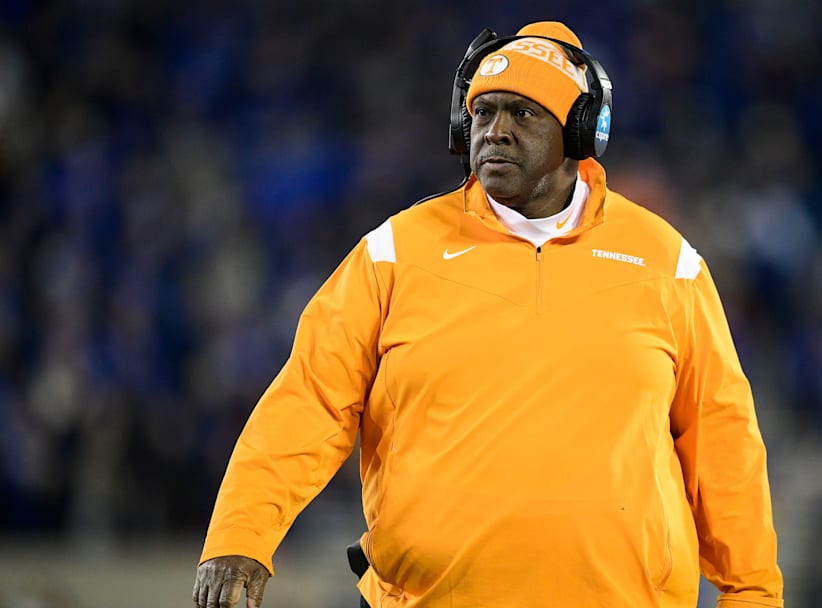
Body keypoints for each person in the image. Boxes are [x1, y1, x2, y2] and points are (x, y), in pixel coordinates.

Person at [192, 20, 783, 608]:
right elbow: (309, 399)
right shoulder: (395, 253)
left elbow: (723, 439)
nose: (495, 132)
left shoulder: (666, 262)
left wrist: (752, 593)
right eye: (483, 113)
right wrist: (241, 534)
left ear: (578, 132)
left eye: (522, 114)